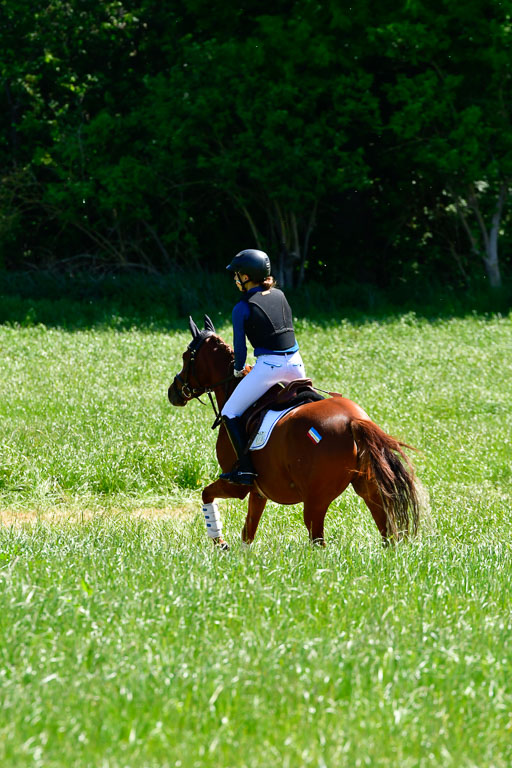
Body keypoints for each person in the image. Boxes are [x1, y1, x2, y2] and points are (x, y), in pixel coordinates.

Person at [220, 249, 306, 486]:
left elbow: (241, 348)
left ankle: (246, 469)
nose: (236, 279)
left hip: (270, 367)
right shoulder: (280, 294)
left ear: (247, 277)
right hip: (297, 364)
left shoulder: (242, 307)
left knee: (229, 412)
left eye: (238, 275)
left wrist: (238, 370)